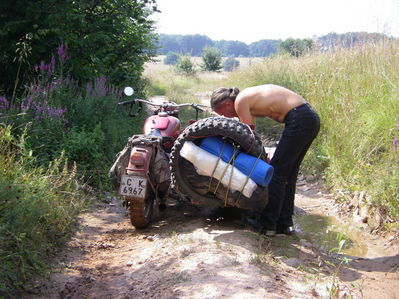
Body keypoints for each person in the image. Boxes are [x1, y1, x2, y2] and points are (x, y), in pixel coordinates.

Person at [210, 84, 320, 236]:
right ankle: (285, 223)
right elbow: (252, 132)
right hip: (309, 117)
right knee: (288, 175)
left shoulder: (240, 101)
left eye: (221, 113)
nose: (225, 117)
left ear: (227, 104)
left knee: (276, 174)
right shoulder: (248, 99)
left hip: (299, 119)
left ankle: (267, 224)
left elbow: (246, 137)